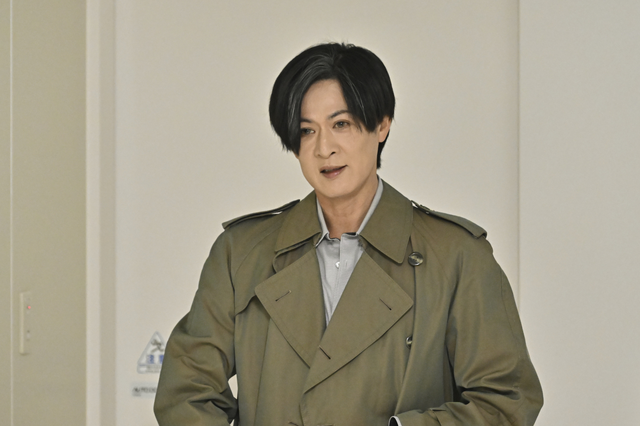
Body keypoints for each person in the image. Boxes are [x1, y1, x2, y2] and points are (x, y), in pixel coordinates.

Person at [154, 43, 543, 426]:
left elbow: (506, 402)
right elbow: (187, 391)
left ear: (381, 125)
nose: (324, 148)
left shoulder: (456, 254)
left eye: (341, 124)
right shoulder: (241, 253)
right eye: (306, 131)